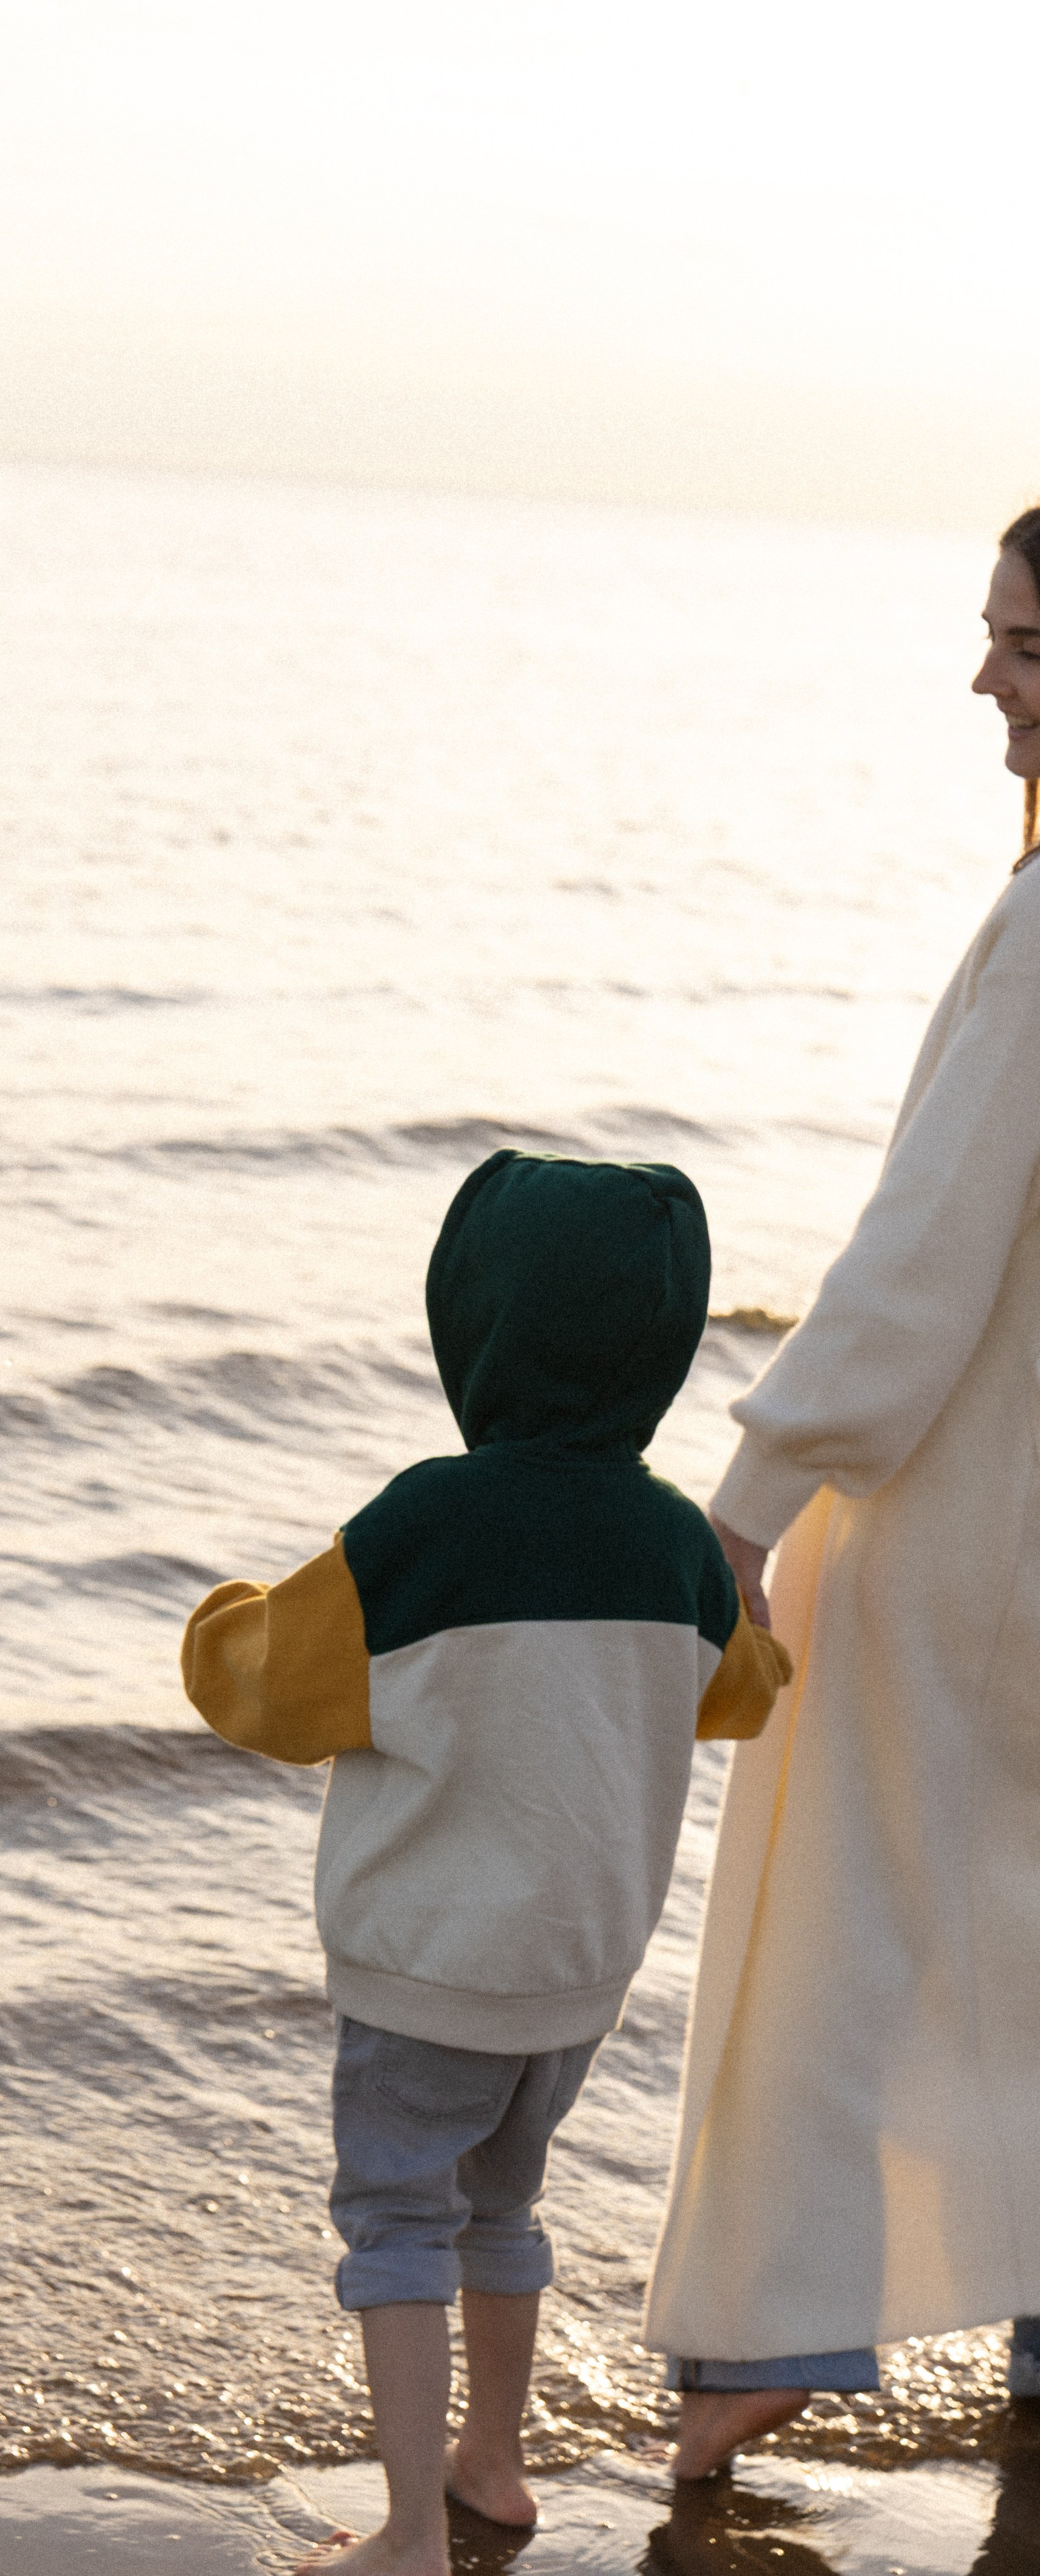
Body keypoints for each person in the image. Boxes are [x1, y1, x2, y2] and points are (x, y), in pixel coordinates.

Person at [180, 1151, 790, 2576]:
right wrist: (749, 1593)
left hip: (424, 1965)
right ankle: (492, 2465)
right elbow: (739, 1693)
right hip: (578, 1973)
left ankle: (403, 2530)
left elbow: (265, 1693)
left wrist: (222, 1612)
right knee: (502, 2209)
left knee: (395, 2216)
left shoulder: (428, 1523)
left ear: (478, 1324)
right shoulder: (666, 1539)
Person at [643, 508, 1040, 2475]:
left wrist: (750, 1494)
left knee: (845, 1920)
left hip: (982, 1537)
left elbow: (916, 1270)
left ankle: (779, 2336)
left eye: (1027, 648)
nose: (989, 679)